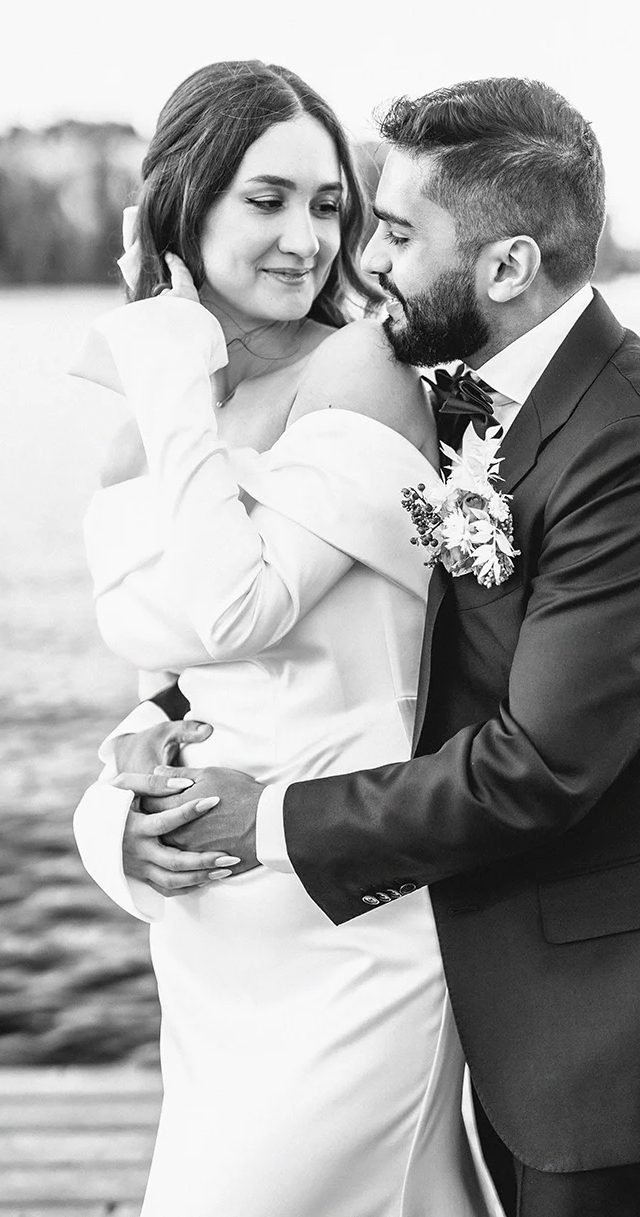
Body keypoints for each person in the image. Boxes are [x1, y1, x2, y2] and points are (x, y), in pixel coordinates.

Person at [136, 77, 640, 1217]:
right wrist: (156, 754)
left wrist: (271, 818)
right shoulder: (471, 398)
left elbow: (538, 766)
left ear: (504, 270)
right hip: (509, 996)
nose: (367, 259)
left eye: (395, 233)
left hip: (624, 1016)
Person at [70, 60, 499, 1217]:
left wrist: (163, 368)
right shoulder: (139, 438)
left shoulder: (356, 368)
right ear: (183, 203)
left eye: (326, 205)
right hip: (219, 941)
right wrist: (119, 822)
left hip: (351, 919)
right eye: (266, 200)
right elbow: (162, 695)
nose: (307, 238)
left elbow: (235, 610)